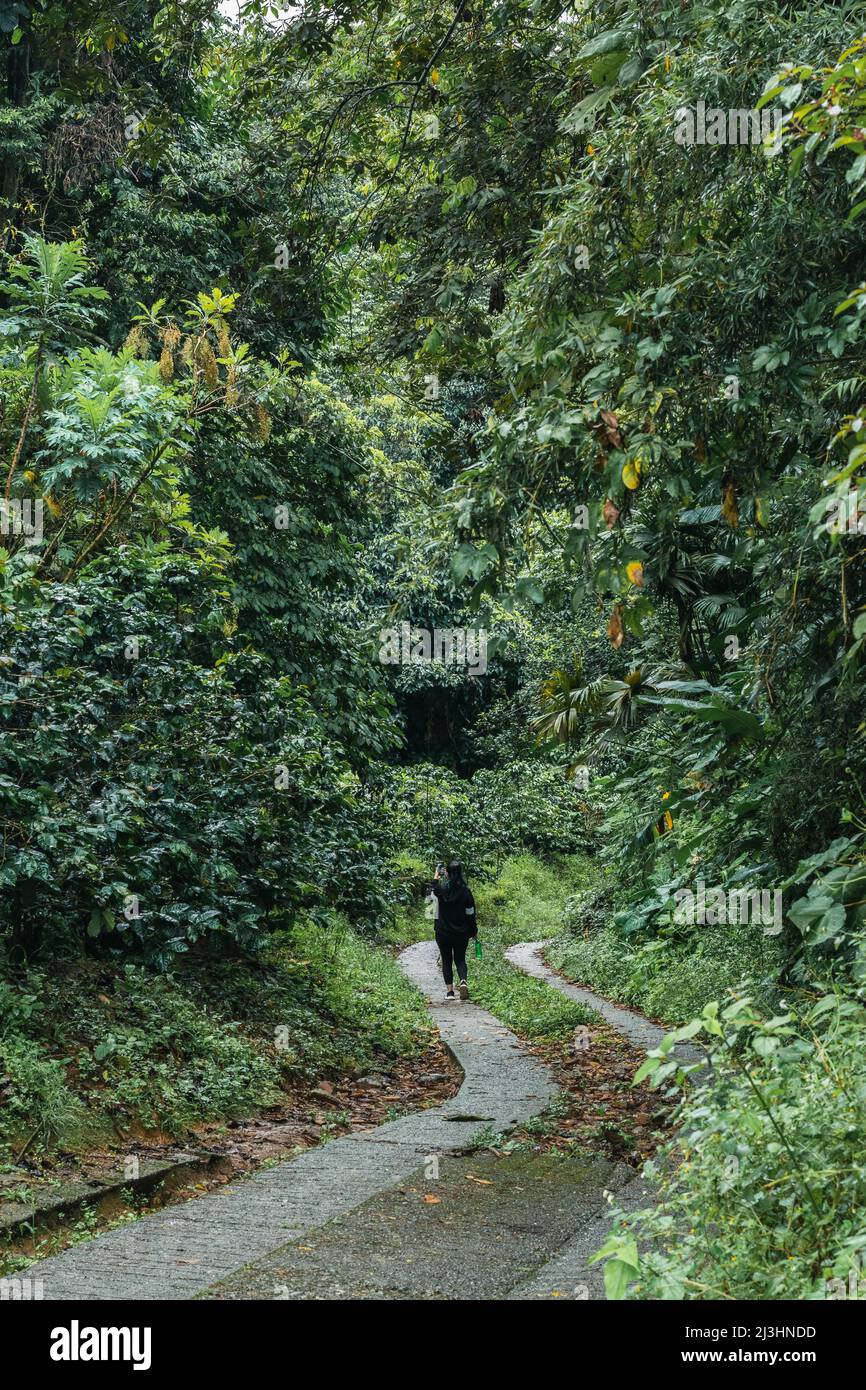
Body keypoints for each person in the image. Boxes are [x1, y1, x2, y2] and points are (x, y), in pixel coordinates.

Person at [431, 860, 477, 1000]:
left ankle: (450, 992)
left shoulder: (440, 890)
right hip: (461, 933)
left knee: (446, 960)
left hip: (443, 932)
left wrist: (435, 879)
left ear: (447, 873)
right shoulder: (466, 892)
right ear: (461, 873)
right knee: (460, 959)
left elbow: (429, 903)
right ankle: (463, 981)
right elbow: (470, 913)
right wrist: (473, 930)